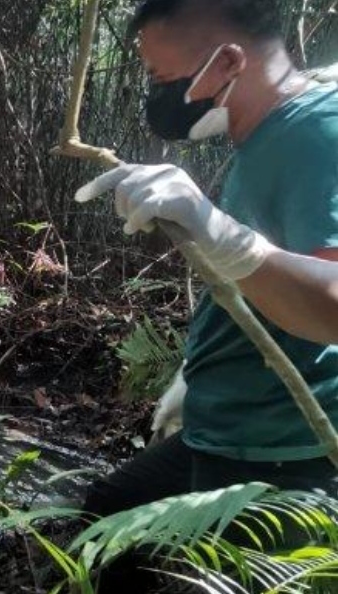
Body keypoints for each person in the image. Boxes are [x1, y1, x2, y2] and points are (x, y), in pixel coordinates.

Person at [74, 0, 338, 588]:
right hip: (222, 418)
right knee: (110, 514)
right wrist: (193, 376)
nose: (153, 95)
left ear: (227, 62)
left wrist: (219, 233)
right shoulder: (268, 134)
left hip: (277, 450)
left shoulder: (315, 133)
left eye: (161, 78)